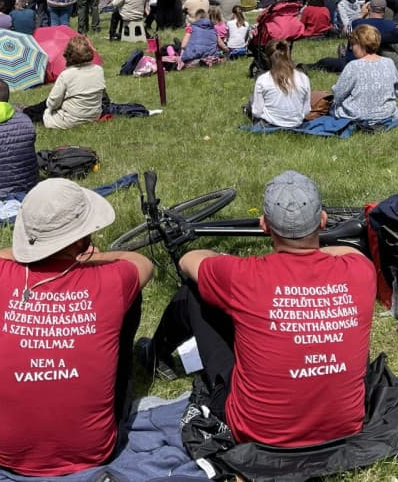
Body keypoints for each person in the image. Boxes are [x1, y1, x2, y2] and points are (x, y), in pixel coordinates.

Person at [139, 171, 374, 447]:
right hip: (344, 427)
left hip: (258, 433)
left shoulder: (244, 276)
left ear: (264, 225)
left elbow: (188, 260)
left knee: (194, 290)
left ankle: (154, 355)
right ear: (322, 220)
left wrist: (225, 260)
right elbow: (349, 252)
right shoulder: (360, 271)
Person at [0, 178, 152, 476]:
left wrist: (33, 249)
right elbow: (140, 262)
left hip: (3, 451)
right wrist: (92, 260)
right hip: (94, 450)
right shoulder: (113, 279)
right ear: (81, 240)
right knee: (130, 298)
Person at [23, 36, 104, 129]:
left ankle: (25, 112)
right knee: (41, 106)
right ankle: (28, 110)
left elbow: (53, 103)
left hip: (70, 119)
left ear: (68, 55)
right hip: (93, 115)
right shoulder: (98, 70)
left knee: (34, 114)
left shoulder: (66, 75)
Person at [331, 24, 398, 125]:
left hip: (357, 115)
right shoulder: (389, 62)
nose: (351, 47)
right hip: (386, 114)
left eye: (353, 44)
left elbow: (338, 96)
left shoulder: (353, 66)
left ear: (361, 44)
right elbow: (397, 91)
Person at [245, 39, 310, 128]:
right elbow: (306, 110)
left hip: (269, 124)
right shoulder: (303, 78)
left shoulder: (263, 79)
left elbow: (257, 112)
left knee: (252, 100)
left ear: (267, 58)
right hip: (296, 124)